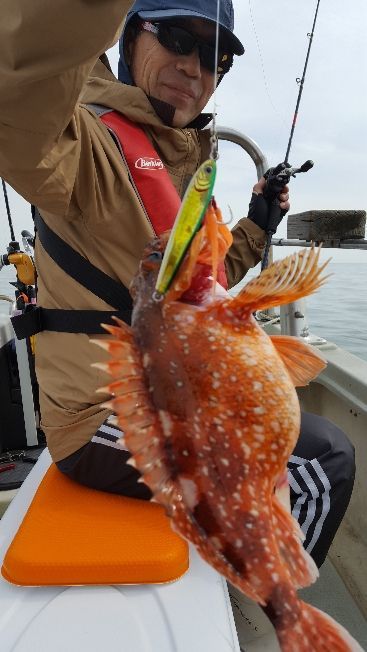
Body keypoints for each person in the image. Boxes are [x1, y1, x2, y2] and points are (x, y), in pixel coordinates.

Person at [0, 0, 354, 576]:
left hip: (175, 388)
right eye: (177, 38)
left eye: (216, 58)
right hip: (101, 416)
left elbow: (204, 286)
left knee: (294, 438)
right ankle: (273, 606)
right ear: (127, 36)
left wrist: (257, 223)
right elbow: (20, 83)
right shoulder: (79, 144)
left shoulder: (182, 165)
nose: (196, 68)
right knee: (322, 459)